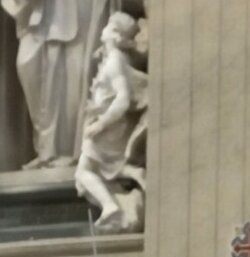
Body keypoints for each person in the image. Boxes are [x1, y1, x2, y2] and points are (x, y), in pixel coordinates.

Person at [2, 0, 107, 168]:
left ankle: (63, 152)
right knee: (28, 65)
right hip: (35, 15)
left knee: (69, 76)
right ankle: (46, 150)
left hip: (72, 13)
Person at [74, 10, 147, 232]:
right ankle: (133, 174)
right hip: (105, 122)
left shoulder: (115, 61)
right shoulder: (109, 57)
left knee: (83, 172)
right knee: (103, 167)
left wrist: (101, 124)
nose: (102, 30)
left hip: (108, 126)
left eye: (107, 26)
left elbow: (123, 99)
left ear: (114, 34)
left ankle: (110, 208)